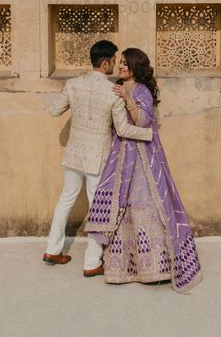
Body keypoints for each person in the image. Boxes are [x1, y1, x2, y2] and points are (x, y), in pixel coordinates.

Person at [85, 48, 202, 293]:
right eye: (121, 63)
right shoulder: (117, 86)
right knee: (122, 205)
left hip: (142, 157)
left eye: (126, 64)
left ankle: (155, 268)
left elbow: (142, 122)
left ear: (136, 66)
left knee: (144, 202)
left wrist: (128, 100)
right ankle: (123, 267)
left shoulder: (141, 91)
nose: (121, 67)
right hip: (120, 154)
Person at [44, 40, 154, 277]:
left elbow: (54, 110)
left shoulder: (73, 85)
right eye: (114, 61)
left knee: (66, 199)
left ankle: (52, 249)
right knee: (98, 209)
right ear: (104, 63)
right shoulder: (113, 92)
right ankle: (92, 262)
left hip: (74, 155)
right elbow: (124, 130)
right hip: (97, 159)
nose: (116, 65)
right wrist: (148, 133)